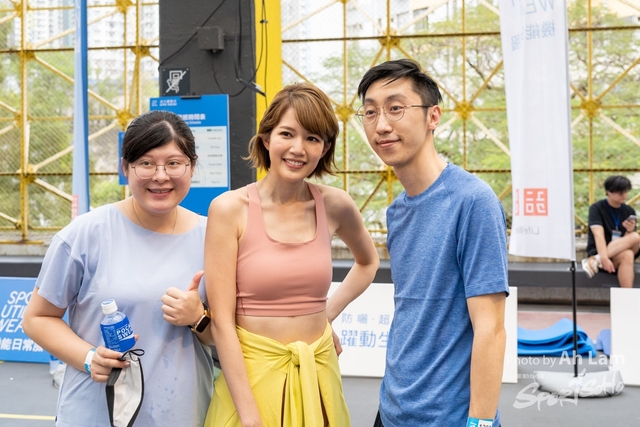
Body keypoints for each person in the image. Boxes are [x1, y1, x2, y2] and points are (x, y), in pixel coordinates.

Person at [23, 110, 215, 427]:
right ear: (125, 168)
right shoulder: (85, 234)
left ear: (192, 166)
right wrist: (88, 358)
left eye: (174, 163)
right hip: (96, 413)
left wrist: (199, 318)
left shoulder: (215, 238)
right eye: (146, 163)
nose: (161, 176)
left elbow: (232, 338)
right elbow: (37, 318)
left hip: (183, 414)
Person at [203, 83, 379, 427]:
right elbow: (222, 322)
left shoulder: (335, 204)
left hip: (319, 374)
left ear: (324, 148)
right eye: (287, 134)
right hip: (252, 379)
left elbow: (368, 262)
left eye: (312, 138)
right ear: (266, 139)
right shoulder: (229, 209)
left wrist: (326, 316)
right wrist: (250, 415)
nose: (298, 148)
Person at [356, 59, 509, 427]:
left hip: (449, 417)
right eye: (370, 112)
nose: (381, 125)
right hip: (392, 408)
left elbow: (490, 329)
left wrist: (480, 423)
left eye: (396, 108)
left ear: (433, 116)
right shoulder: (397, 211)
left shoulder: (473, 201)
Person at [581, 175, 639, 287]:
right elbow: (598, 235)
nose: (624, 195)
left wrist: (629, 230)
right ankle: (598, 258)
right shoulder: (597, 208)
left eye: (626, 191)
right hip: (602, 251)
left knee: (633, 239)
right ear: (608, 192)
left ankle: (595, 261)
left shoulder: (628, 211)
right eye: (620, 192)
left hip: (618, 252)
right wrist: (603, 258)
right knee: (628, 252)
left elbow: (628, 242)